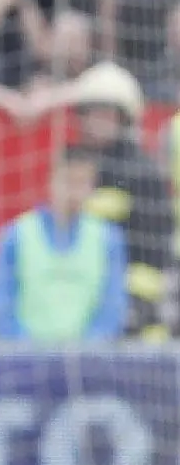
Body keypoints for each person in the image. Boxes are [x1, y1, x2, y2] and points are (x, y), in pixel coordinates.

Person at [67, 60, 173, 338]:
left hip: (132, 314)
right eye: (92, 113)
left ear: (123, 119)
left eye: (107, 114)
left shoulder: (142, 173)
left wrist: (135, 308)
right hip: (79, 306)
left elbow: (153, 251)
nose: (98, 122)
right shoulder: (72, 165)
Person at [0, 149, 127, 341]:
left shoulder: (107, 238)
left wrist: (87, 347)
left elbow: (112, 307)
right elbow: (1, 305)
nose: (74, 193)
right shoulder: (16, 235)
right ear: (50, 181)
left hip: (88, 356)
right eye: (68, 181)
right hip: (25, 355)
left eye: (82, 183)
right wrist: (26, 347)